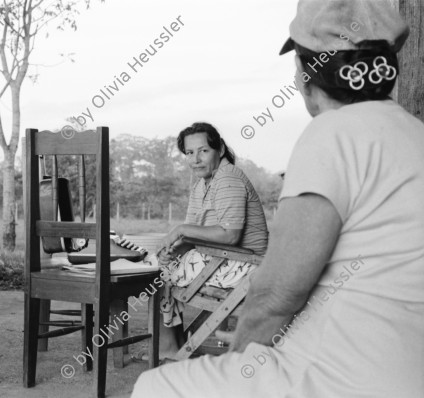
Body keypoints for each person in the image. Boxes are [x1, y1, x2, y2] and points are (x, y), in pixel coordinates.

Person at [132, 1, 424, 397]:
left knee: (155, 386)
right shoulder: (414, 134)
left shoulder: (332, 133)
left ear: (306, 74)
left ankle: (170, 352)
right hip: (407, 366)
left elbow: (276, 294)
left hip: (344, 373)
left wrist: (240, 364)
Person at [152, 122, 268, 360]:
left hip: (247, 264)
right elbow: (195, 235)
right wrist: (175, 251)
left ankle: (169, 346)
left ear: (221, 150)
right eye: (189, 152)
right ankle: (174, 344)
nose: (195, 159)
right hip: (222, 258)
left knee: (154, 274)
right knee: (161, 262)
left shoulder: (227, 179)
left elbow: (230, 235)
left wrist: (180, 230)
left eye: (203, 150)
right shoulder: (201, 185)